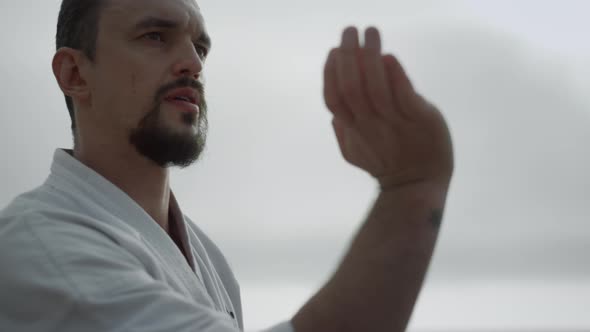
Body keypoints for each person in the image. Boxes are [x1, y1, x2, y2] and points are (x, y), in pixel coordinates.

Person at [0, 0, 454, 331]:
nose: (193, 63)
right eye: (155, 36)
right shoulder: (38, 247)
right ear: (75, 75)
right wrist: (412, 187)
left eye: (200, 46)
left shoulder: (207, 257)